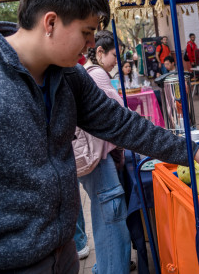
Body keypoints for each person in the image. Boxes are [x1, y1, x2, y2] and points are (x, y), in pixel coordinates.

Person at [0, 0, 199, 273]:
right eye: (86, 32)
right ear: (50, 22)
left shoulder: (69, 77)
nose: (91, 44)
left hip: (63, 255)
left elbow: (122, 124)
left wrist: (192, 151)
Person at [73, 30, 132, 274]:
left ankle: (103, 267)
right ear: (99, 52)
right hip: (98, 159)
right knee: (113, 221)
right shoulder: (97, 75)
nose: (116, 61)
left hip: (92, 158)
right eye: (113, 55)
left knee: (104, 217)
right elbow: (120, 118)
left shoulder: (87, 73)